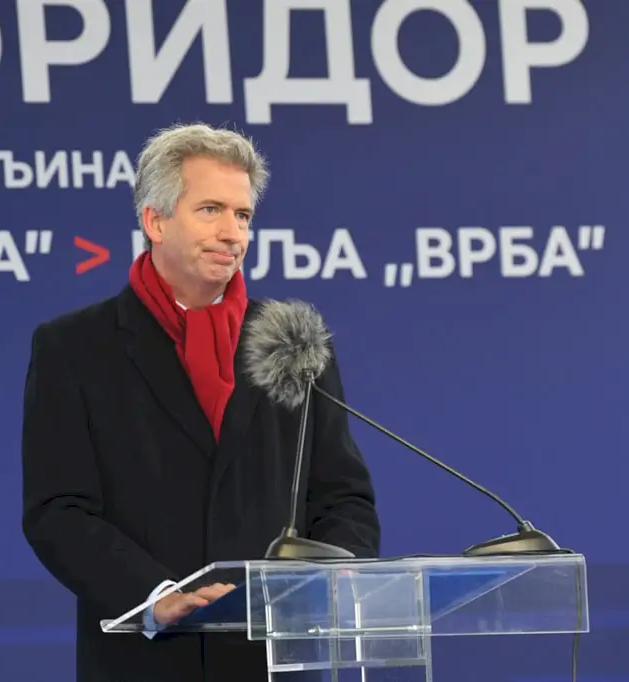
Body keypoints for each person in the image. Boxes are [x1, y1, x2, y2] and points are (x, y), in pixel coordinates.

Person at [20, 122, 381, 682]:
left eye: (243, 215)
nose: (232, 233)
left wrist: (332, 577)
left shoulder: (298, 342)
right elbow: (58, 509)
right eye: (211, 210)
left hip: (277, 659)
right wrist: (154, 594)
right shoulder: (75, 347)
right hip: (146, 660)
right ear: (155, 221)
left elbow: (343, 497)